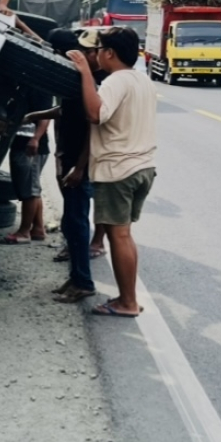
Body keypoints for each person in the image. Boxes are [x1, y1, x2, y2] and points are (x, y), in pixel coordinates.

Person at [65, 27, 158, 318]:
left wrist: (84, 72)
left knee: (119, 237)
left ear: (109, 53)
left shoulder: (116, 81)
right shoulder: (142, 80)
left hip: (119, 170)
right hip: (143, 167)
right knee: (124, 235)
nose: (95, 56)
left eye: (98, 51)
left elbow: (95, 114)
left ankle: (127, 303)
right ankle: (127, 298)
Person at [45, 28, 105, 304]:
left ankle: (83, 282)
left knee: (78, 222)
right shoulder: (77, 77)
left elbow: (95, 128)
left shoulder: (95, 83)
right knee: (71, 220)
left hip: (80, 163)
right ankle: (75, 276)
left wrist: (80, 168)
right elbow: (66, 112)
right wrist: (33, 116)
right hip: (69, 157)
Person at [0, 88, 52, 245]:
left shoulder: (40, 89)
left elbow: (46, 116)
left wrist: (35, 139)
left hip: (29, 146)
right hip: (22, 142)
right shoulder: (22, 87)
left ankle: (24, 232)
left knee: (28, 191)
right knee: (32, 187)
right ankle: (38, 229)